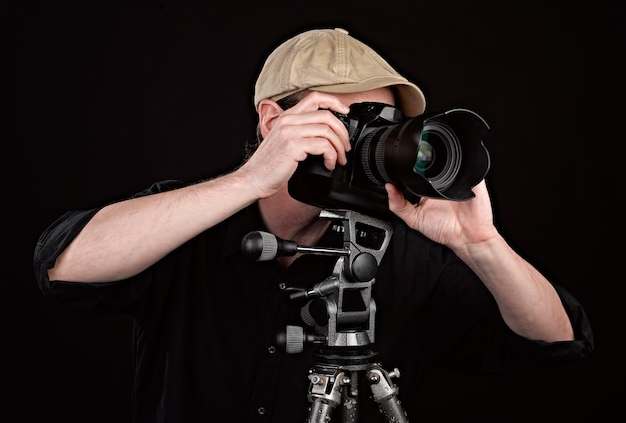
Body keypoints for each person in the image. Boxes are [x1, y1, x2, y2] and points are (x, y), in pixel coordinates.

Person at [33, 27, 594, 423]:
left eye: (384, 124)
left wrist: (480, 243)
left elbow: (557, 342)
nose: (363, 141)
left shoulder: (405, 251)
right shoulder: (187, 224)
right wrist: (249, 181)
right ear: (275, 120)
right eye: (345, 120)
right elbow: (63, 266)